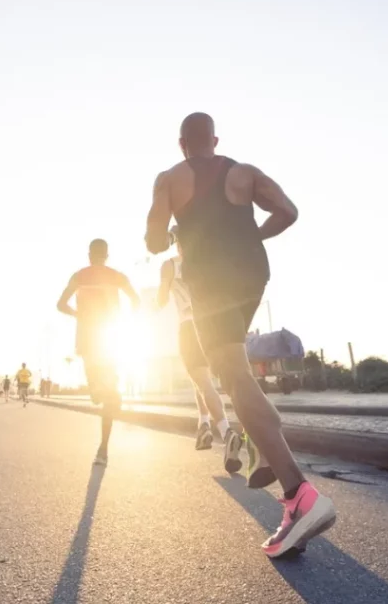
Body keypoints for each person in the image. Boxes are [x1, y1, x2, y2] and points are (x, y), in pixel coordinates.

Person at [144, 112, 336, 558]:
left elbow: (154, 242)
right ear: (214, 139)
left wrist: (172, 229)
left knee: (232, 375)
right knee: (238, 372)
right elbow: (288, 212)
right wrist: (251, 235)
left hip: (211, 281)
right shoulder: (244, 172)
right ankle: (268, 451)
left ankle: (299, 495)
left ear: (181, 144)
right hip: (252, 276)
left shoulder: (169, 178)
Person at [157, 226, 240, 465]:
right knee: (201, 379)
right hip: (213, 325)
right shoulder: (207, 262)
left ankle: (226, 432)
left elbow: (162, 300)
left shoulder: (169, 265)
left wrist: (162, 293)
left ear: (175, 240)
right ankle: (203, 425)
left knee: (204, 383)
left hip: (189, 327)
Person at [57, 238, 140, 466]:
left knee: (100, 394)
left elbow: (60, 304)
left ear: (89, 255)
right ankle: (103, 449)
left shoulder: (79, 276)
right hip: (111, 337)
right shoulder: (118, 276)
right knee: (106, 397)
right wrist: (127, 318)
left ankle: (102, 447)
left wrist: (77, 314)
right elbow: (136, 300)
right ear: (107, 255)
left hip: (88, 338)